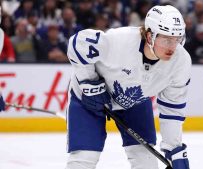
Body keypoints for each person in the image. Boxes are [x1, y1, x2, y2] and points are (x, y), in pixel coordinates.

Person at [66, 5, 191, 169]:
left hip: (135, 101)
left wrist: (173, 149)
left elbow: (172, 109)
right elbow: (77, 44)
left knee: (146, 162)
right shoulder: (119, 41)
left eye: (177, 39)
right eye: (166, 39)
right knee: (84, 158)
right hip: (89, 99)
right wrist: (90, 82)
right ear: (149, 36)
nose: (172, 47)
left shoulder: (180, 62)